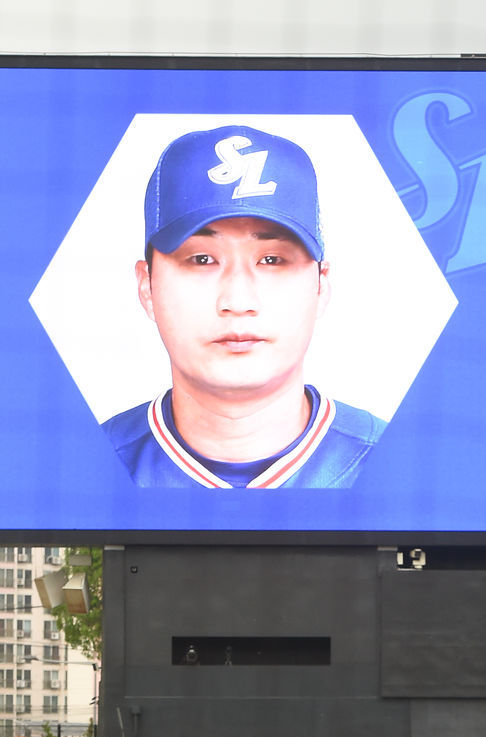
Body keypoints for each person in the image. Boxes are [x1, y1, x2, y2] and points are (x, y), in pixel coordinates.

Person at [103, 124, 385, 488]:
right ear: (147, 287)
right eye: (202, 260)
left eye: (272, 260)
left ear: (321, 285)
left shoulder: (397, 467)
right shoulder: (85, 468)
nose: (237, 301)